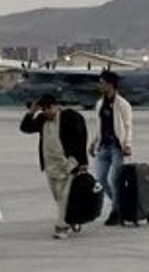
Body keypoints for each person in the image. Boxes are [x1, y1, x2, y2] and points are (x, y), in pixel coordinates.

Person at [20, 95, 89, 239]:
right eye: (43, 109)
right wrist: (31, 112)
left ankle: (62, 227)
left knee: (64, 196)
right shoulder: (41, 120)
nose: (47, 112)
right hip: (50, 166)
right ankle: (71, 219)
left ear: (56, 106)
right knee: (58, 197)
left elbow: (81, 138)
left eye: (49, 108)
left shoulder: (69, 117)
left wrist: (83, 162)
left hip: (68, 164)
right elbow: (25, 128)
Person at [89, 69, 134, 226]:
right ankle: (120, 206)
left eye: (102, 83)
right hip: (103, 147)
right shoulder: (100, 104)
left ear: (111, 84)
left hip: (117, 148)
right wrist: (93, 142)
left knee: (114, 179)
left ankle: (116, 212)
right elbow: (99, 125)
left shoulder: (123, 104)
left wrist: (127, 144)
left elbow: (128, 126)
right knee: (101, 178)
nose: (99, 85)